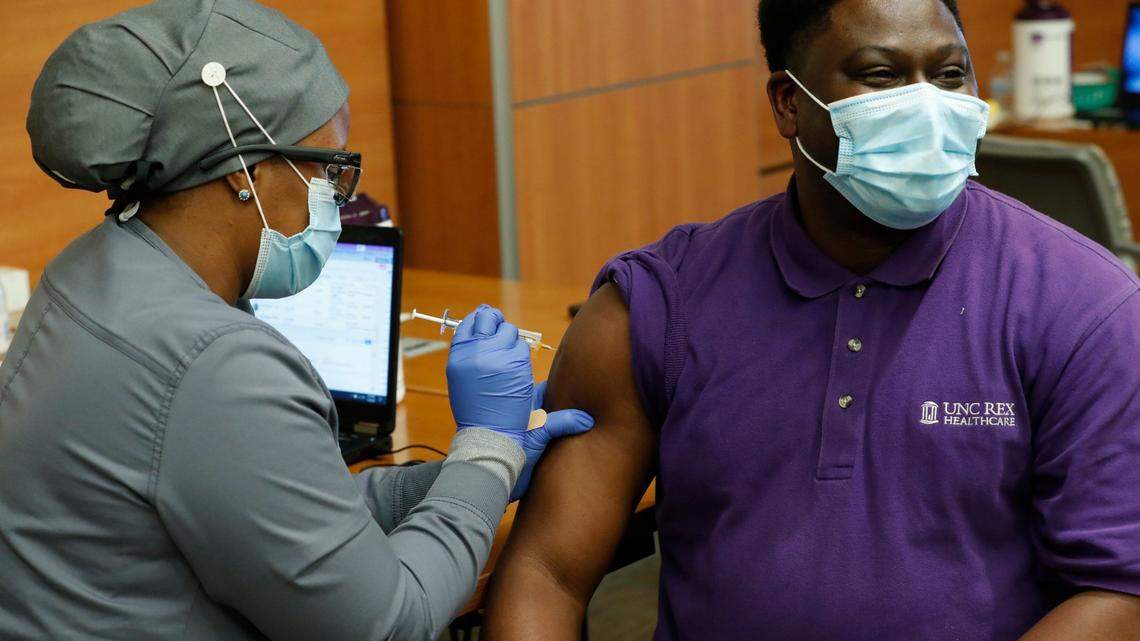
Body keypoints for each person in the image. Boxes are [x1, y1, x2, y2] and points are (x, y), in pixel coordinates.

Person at [483, 0, 1140, 639]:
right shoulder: (656, 304)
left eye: (948, 75)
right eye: (882, 74)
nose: (927, 105)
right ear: (789, 103)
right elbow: (546, 573)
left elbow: (1120, 592)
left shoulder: (1084, 306)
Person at [0, 2, 592, 640]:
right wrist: (486, 453)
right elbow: (390, 623)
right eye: (328, 171)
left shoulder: (90, 269)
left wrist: (460, 478)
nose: (340, 198)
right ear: (246, 174)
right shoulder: (217, 366)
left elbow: (291, 523)